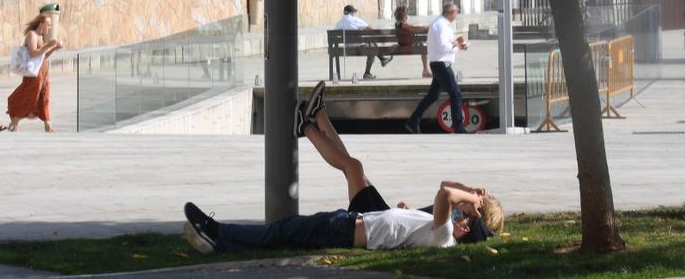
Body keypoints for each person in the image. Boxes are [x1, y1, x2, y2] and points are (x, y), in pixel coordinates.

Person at [181, 83, 503, 254]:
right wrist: (472, 196)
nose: (461, 219)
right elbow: (448, 191)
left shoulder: (445, 237)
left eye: (465, 219)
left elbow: (446, 192)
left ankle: (217, 235)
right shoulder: (445, 229)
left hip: (348, 227)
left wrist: (470, 200)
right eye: (464, 217)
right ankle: (219, 238)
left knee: (279, 232)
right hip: (353, 223)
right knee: (282, 231)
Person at [405, 3, 470, 134]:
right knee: (455, 94)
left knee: (433, 96)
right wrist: (457, 43)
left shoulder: (441, 24)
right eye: (456, 12)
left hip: (438, 63)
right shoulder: (441, 26)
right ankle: (458, 127)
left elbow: (448, 45)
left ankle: (413, 121)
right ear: (451, 13)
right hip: (442, 64)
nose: (457, 15)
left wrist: (459, 46)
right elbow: (443, 47)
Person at [7, 13, 64, 132]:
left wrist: (53, 48)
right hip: (34, 74)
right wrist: (48, 45)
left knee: (44, 97)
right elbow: (33, 53)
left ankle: (48, 125)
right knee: (29, 97)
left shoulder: (40, 37)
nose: (49, 27)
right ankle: (15, 121)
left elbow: (43, 56)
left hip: (43, 72)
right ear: (41, 23)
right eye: (48, 24)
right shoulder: (32, 35)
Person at [334, 4, 387, 80]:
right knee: (372, 48)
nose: (355, 14)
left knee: (371, 44)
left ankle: (382, 59)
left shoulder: (339, 23)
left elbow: (335, 35)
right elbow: (369, 28)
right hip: (359, 48)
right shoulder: (355, 20)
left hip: (346, 49)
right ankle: (368, 72)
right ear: (352, 13)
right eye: (354, 12)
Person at [393, 5, 431, 78]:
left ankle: (426, 70)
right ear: (405, 16)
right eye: (406, 15)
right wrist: (427, 27)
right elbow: (414, 28)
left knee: (423, 45)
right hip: (407, 46)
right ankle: (425, 70)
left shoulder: (397, 24)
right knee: (423, 47)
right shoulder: (404, 24)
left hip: (402, 44)